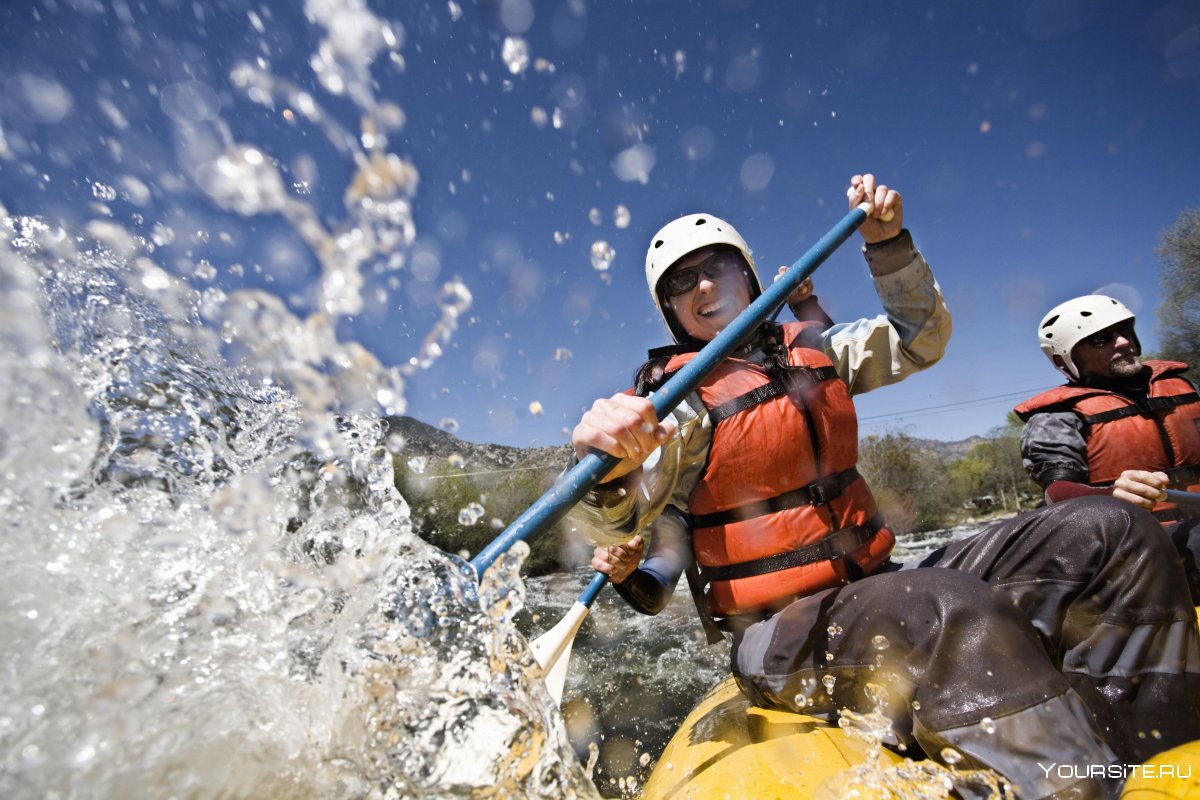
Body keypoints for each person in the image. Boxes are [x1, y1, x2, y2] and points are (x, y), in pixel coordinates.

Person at [568, 174, 1200, 799]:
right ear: (671, 310)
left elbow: (920, 339)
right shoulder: (673, 407)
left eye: (718, 266)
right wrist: (607, 464)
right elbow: (623, 519)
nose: (703, 285)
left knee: (1113, 531)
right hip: (775, 633)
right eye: (682, 282)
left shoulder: (817, 352)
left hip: (876, 583)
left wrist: (888, 245)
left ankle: (1142, 762)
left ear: (751, 277)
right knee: (939, 606)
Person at [1014, 295, 1200, 595]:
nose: (1124, 342)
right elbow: (1058, 492)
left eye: (1125, 331)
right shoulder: (1055, 417)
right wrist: (1111, 495)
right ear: (1066, 358)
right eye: (1102, 339)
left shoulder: (1184, 386)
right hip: (1138, 551)